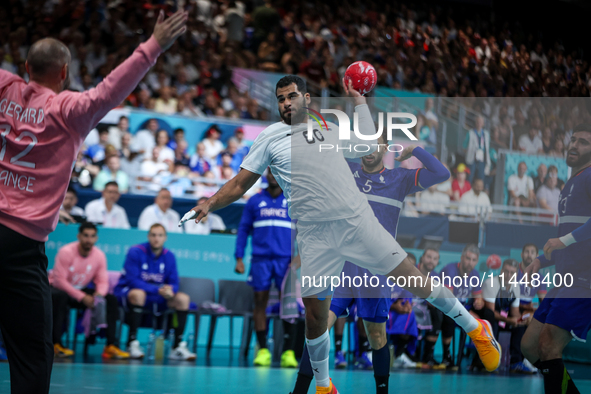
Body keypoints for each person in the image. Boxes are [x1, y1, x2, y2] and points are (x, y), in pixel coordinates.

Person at [180, 75, 500, 394]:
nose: (286, 103)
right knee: (315, 317)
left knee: (412, 279)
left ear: (307, 98)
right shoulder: (269, 137)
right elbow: (240, 183)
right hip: (314, 234)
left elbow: (367, 141)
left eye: (292, 96)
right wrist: (210, 202)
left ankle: (476, 328)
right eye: (280, 99)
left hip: (354, 222)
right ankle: (324, 387)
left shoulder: (330, 128)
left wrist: (359, 101)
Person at [0, 10, 186, 393]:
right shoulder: (66, 110)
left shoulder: (4, 87)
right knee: (33, 355)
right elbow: (109, 90)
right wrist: (153, 46)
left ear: (24, 66)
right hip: (19, 249)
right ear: (64, 72)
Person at [522, 124, 591, 394]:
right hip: (564, 278)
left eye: (584, 142)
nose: (574, 145)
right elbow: (565, 240)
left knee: (549, 345)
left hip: (584, 280)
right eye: (573, 140)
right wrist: (541, 259)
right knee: (529, 346)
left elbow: (568, 239)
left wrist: (564, 240)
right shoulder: (569, 185)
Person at [233, 170, 297, 368]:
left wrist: (300, 256)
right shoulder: (254, 201)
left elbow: (306, 229)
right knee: (259, 302)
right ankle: (262, 350)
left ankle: (289, 352)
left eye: (276, 172)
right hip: (260, 261)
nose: (272, 176)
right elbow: (243, 229)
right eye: (269, 172)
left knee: (288, 306)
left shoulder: (293, 200)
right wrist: (239, 257)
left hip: (285, 261)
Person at [114, 224, 196, 361]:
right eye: (153, 235)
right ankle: (132, 343)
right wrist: (157, 290)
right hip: (135, 293)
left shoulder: (169, 256)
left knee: (183, 299)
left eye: (160, 235)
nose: (156, 238)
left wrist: (170, 291)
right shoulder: (135, 251)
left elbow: (174, 282)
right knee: (138, 294)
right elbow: (132, 280)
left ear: (165, 238)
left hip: (158, 295)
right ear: (148, 236)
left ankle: (177, 347)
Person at [49, 222, 129, 359]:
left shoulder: (99, 255)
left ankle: (110, 345)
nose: (88, 240)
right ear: (79, 236)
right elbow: (60, 281)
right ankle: (56, 344)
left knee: (110, 299)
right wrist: (82, 297)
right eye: (85, 236)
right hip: (59, 289)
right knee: (60, 297)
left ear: (96, 238)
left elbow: (102, 281)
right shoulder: (66, 252)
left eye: (92, 236)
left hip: (81, 290)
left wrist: (98, 295)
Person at [482, 259, 534, 373]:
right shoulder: (491, 283)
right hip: (488, 319)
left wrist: (521, 319)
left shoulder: (515, 286)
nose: (508, 275)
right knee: (491, 321)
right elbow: (490, 311)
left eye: (512, 273)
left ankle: (516, 363)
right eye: (506, 271)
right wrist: (510, 320)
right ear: (501, 271)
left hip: (504, 319)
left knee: (520, 326)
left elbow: (514, 311)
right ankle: (489, 361)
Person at [438, 244, 484, 370]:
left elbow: (478, 298)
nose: (470, 263)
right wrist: (467, 313)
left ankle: (478, 359)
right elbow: (449, 299)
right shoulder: (450, 270)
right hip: (445, 306)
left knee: (487, 314)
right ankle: (447, 356)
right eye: (468, 259)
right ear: (462, 258)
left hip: (463, 308)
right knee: (449, 314)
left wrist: (479, 303)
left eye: (474, 260)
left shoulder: (475, 274)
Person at [415, 248, 445, 369]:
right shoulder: (411, 270)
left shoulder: (436, 277)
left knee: (438, 312)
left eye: (435, 258)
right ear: (422, 258)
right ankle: (413, 355)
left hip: (425, 307)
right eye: (428, 257)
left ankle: (428, 356)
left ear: (437, 262)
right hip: (410, 305)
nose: (431, 261)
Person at [517, 243, 547, 312]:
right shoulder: (512, 272)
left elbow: (544, 302)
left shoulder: (541, 279)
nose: (529, 255)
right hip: (509, 311)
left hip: (527, 312)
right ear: (521, 255)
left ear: (537, 256)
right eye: (527, 252)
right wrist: (524, 306)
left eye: (532, 253)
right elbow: (505, 301)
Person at [463, 115, 491, 185]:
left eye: (481, 122)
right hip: (472, 158)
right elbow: (464, 146)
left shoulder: (486, 134)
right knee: (469, 177)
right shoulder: (470, 133)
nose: (479, 124)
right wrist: (469, 153)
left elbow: (487, 147)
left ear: (483, 124)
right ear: (475, 123)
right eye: (477, 122)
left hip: (482, 159)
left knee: (480, 178)